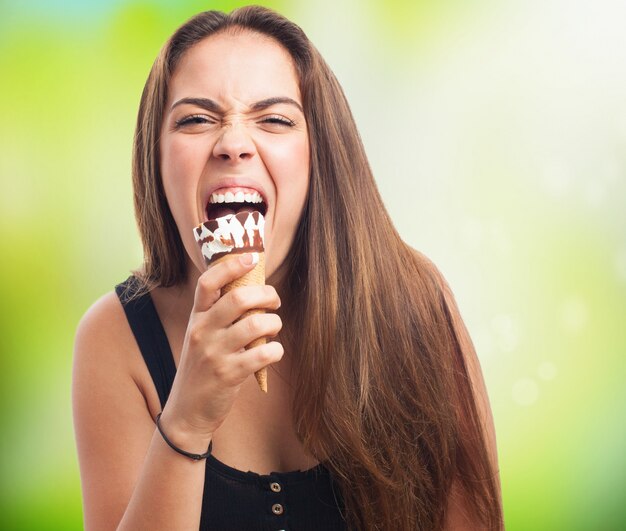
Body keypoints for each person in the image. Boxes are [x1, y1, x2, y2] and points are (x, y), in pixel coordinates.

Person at [72, 6, 503, 530]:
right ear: (155, 158)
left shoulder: (414, 305)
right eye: (196, 119)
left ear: (319, 153)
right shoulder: (114, 338)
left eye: (274, 119)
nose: (232, 143)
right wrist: (185, 422)